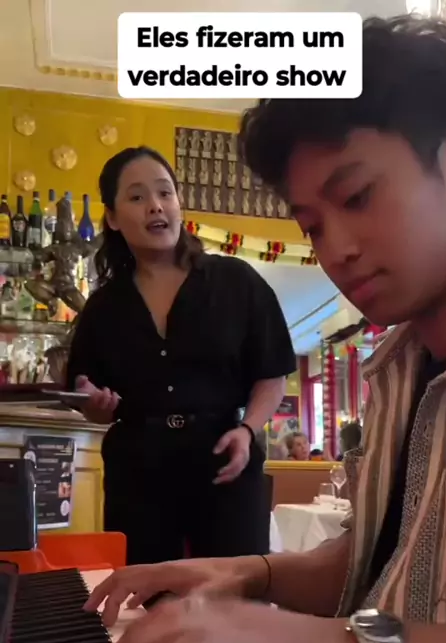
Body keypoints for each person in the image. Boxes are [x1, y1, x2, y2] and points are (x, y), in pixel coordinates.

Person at [87, 16, 446, 643]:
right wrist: (247, 572)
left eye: (357, 196)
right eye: (311, 225)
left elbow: (370, 631)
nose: (337, 249)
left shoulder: (237, 289)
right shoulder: (399, 367)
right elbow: (403, 561)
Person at [66, 146, 296, 567]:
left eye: (164, 192)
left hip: (225, 458)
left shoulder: (236, 281)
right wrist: (94, 403)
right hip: (138, 471)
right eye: (137, 197)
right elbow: (87, 394)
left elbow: (272, 373)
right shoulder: (103, 307)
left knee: (232, 591)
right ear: (113, 218)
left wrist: (247, 430)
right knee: (147, 593)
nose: (155, 205)